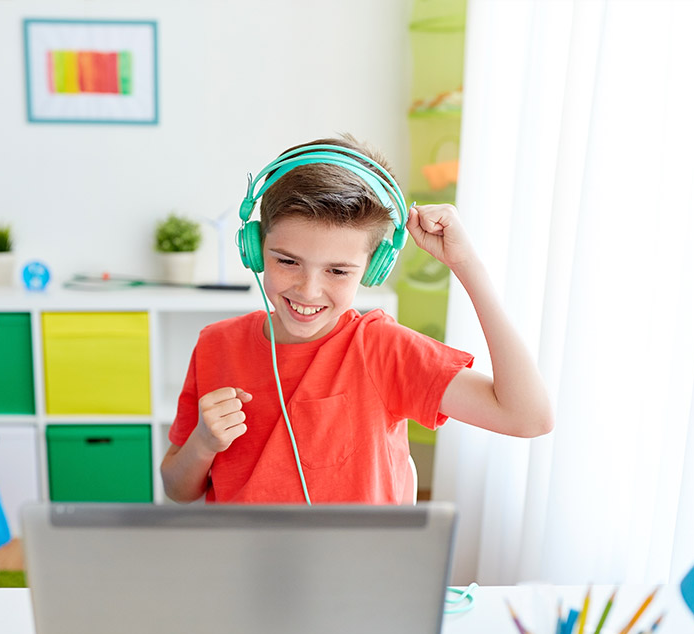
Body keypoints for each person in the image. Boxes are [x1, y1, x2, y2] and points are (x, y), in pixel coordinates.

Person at [161, 134, 553, 504]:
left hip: (355, 573)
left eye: (338, 271)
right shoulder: (217, 344)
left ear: (372, 269)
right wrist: (203, 443)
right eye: (287, 261)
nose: (309, 291)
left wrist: (466, 265)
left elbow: (528, 417)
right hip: (243, 569)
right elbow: (179, 490)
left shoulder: (383, 349)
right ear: (254, 247)